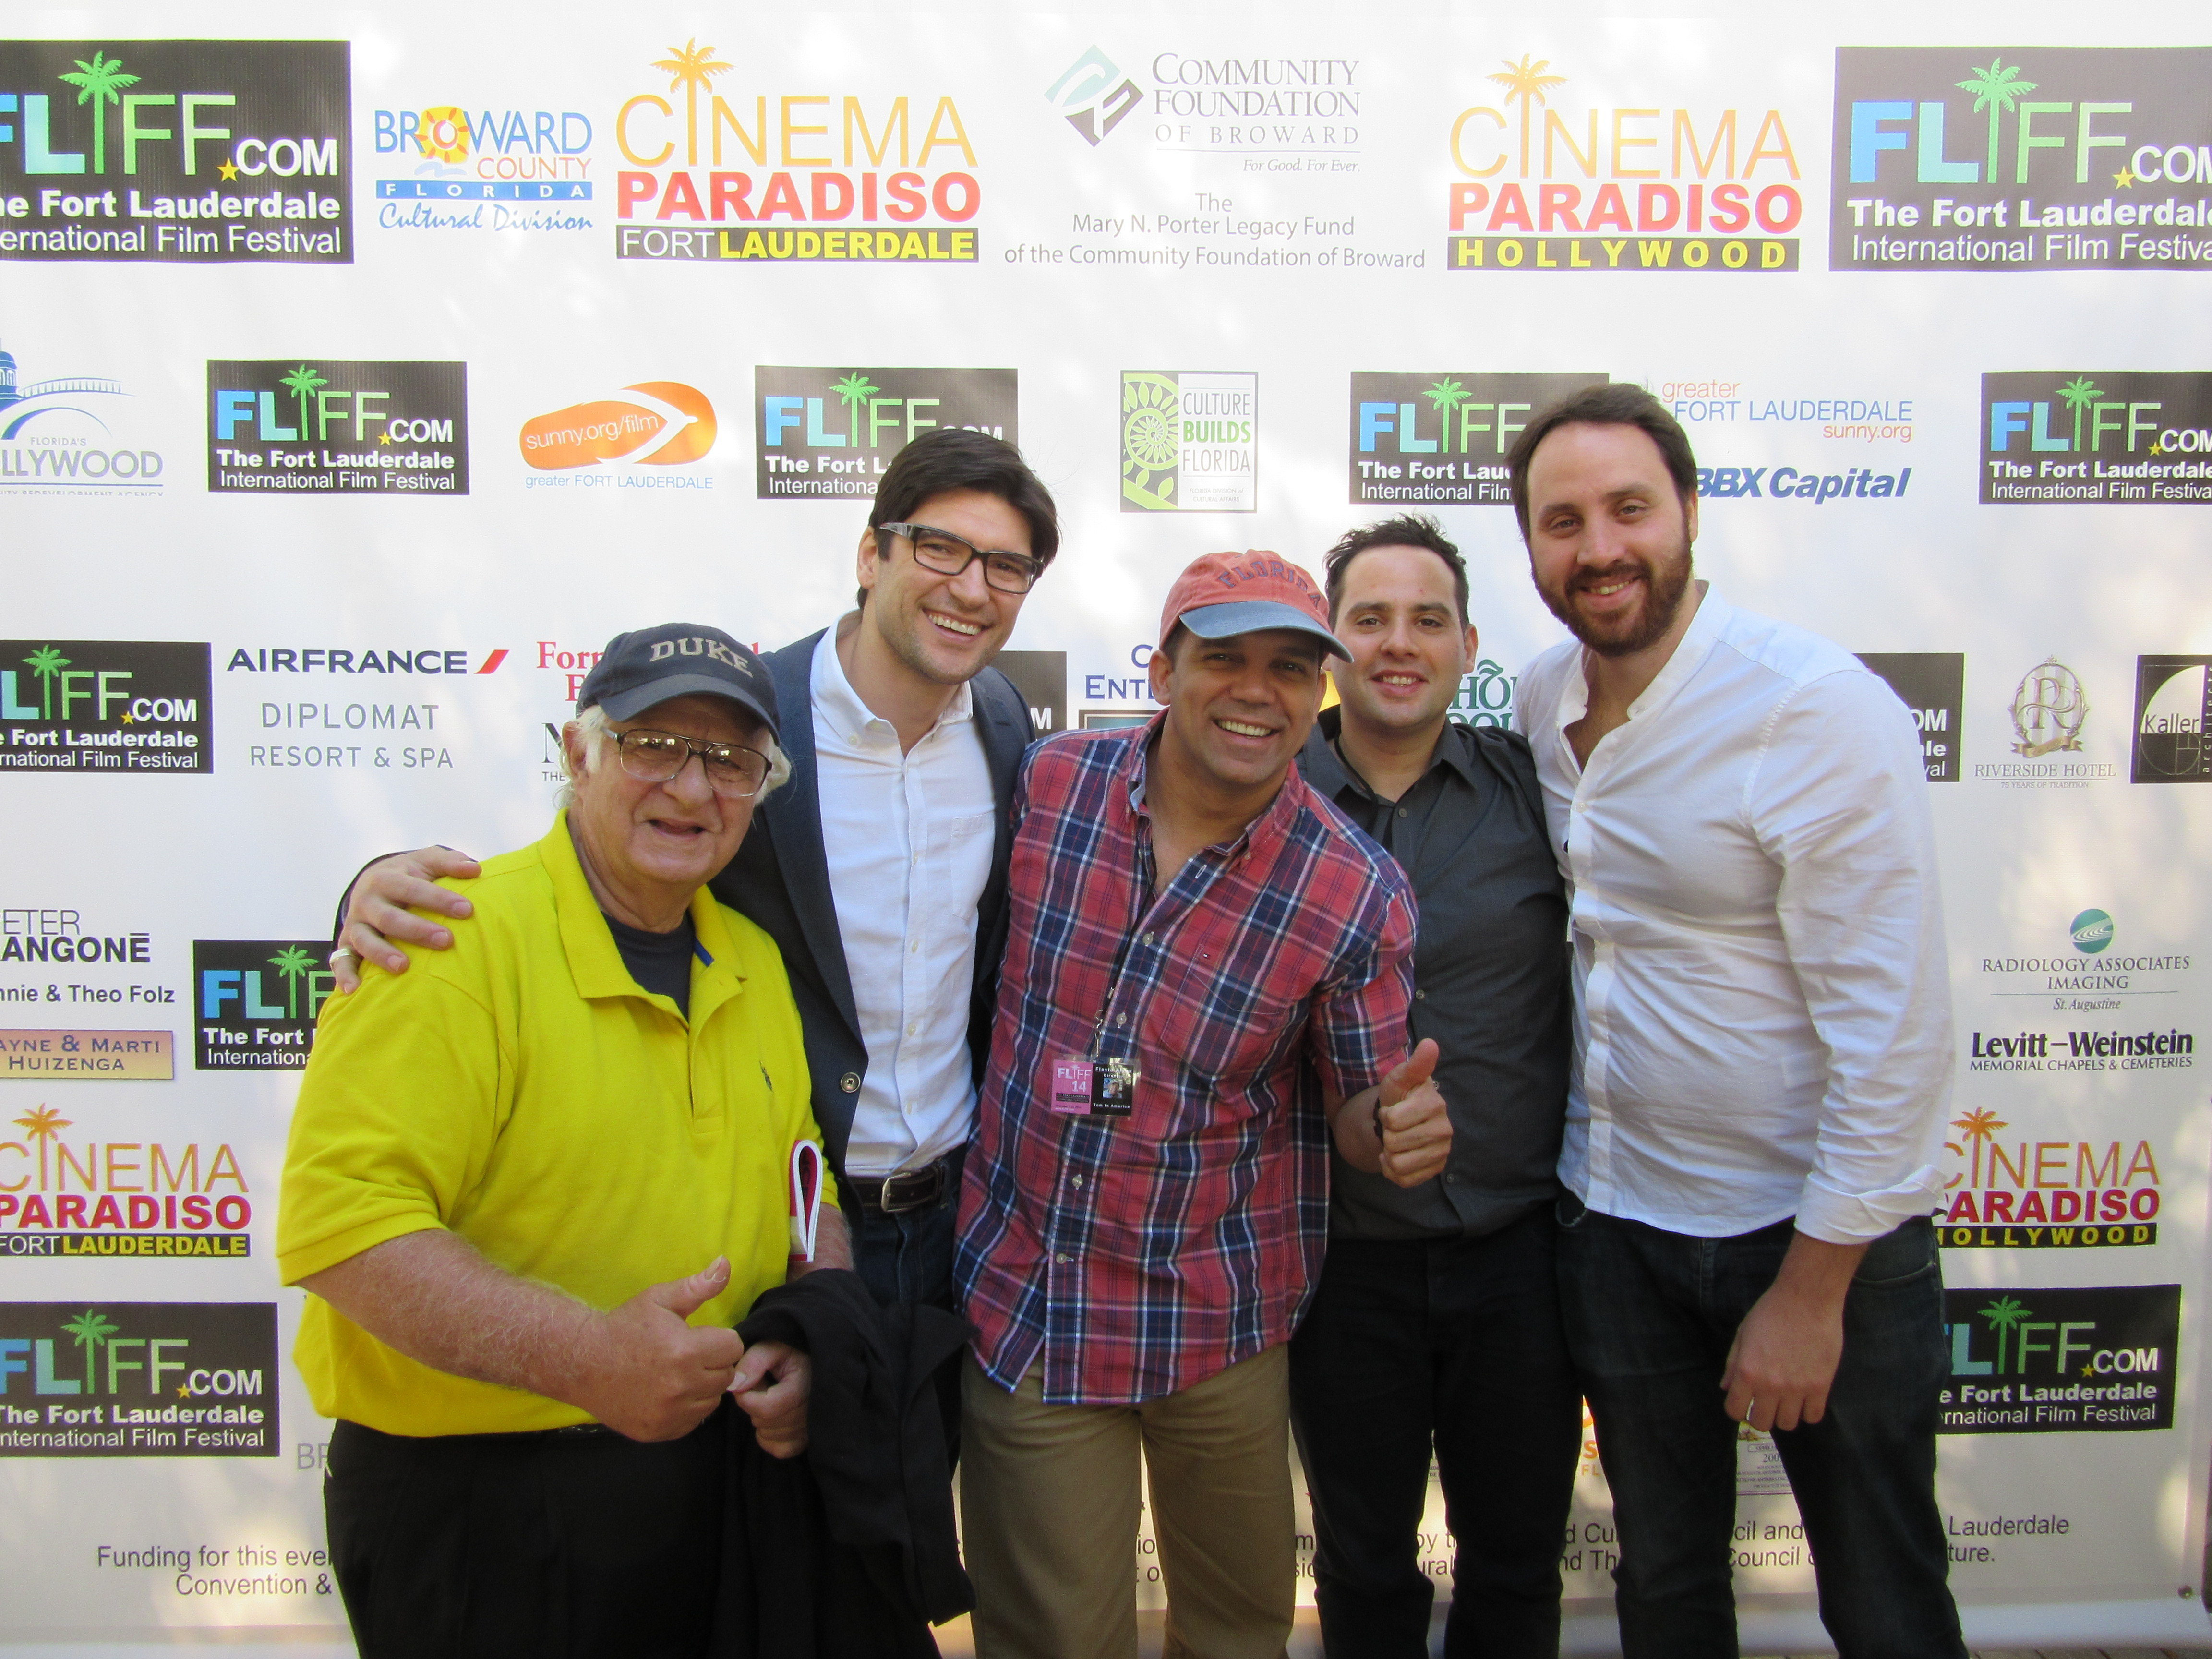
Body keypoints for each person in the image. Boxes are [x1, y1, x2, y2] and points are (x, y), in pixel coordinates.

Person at [330, 429, 1058, 1320]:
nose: (972, 588)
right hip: (776, 1215)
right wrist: (376, 880)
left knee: (919, 1458)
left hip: (958, 1215)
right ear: (872, 555)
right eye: (941, 549)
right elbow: (607, 849)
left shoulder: (1004, 717)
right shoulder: (750, 719)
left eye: (1007, 568)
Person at [278, 623, 850, 1658]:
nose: (692, 786)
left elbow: (805, 1187)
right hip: (481, 1507)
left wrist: (813, 1336)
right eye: (652, 744)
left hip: (707, 1485)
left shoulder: (755, 956)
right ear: (577, 754)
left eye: (730, 760)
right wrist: (587, 1358)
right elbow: (348, 1233)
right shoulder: (445, 940)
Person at [1505, 384, 1963, 1658]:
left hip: (1818, 1242)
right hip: (1617, 1224)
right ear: (1531, 545)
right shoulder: (1545, 699)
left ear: (1691, 514)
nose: (1599, 548)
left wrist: (1811, 1295)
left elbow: (1899, 1035)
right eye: (1562, 521)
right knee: (1662, 1583)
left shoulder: (1814, 710)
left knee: (1881, 1596)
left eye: (1629, 509)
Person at [953, 551, 1454, 1659]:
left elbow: (1366, 1115)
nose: (1255, 691)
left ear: (1316, 693)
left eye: (1288, 668)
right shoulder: (1047, 783)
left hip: (1217, 1313)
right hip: (1032, 1294)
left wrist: (1397, 1131)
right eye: (1222, 658)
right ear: (1164, 669)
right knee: (1049, 1641)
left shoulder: (1353, 889)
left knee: (1236, 1638)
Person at [1288, 515, 1578, 1658]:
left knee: (1516, 1567)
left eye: (1427, 620)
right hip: (1334, 1260)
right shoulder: (1262, 791)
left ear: (1468, 645)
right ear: (1329, 645)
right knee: (1362, 1567)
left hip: (1519, 1257)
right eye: (1369, 620)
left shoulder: (1539, 787)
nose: (1398, 644)